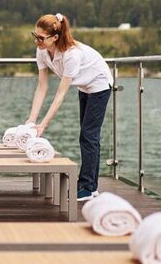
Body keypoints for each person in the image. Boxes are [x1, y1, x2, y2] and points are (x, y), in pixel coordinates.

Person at [26, 13, 113, 201]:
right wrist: (32, 120)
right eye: (35, 36)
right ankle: (91, 186)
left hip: (99, 84)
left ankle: (87, 187)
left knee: (88, 135)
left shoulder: (71, 55)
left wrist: (43, 125)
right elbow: (42, 87)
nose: (37, 41)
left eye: (41, 38)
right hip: (84, 85)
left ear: (55, 37)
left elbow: (60, 94)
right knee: (88, 135)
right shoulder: (42, 51)